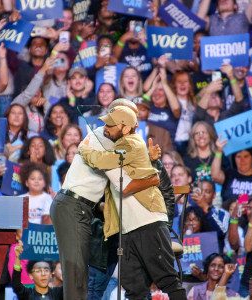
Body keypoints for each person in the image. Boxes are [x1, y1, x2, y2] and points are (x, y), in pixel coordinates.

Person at [50, 99, 161, 299]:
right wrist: (153, 178)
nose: (135, 126)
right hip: (72, 206)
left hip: (79, 208)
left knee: (80, 277)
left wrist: (147, 159)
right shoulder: (105, 139)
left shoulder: (112, 139)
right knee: (76, 277)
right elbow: (124, 184)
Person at [77, 106, 186, 299]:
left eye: (111, 124)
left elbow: (103, 162)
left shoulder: (130, 144)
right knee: (134, 288)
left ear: (126, 128)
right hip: (127, 230)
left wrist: (83, 149)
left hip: (148, 223)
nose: (106, 128)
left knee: (168, 280)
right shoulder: (124, 145)